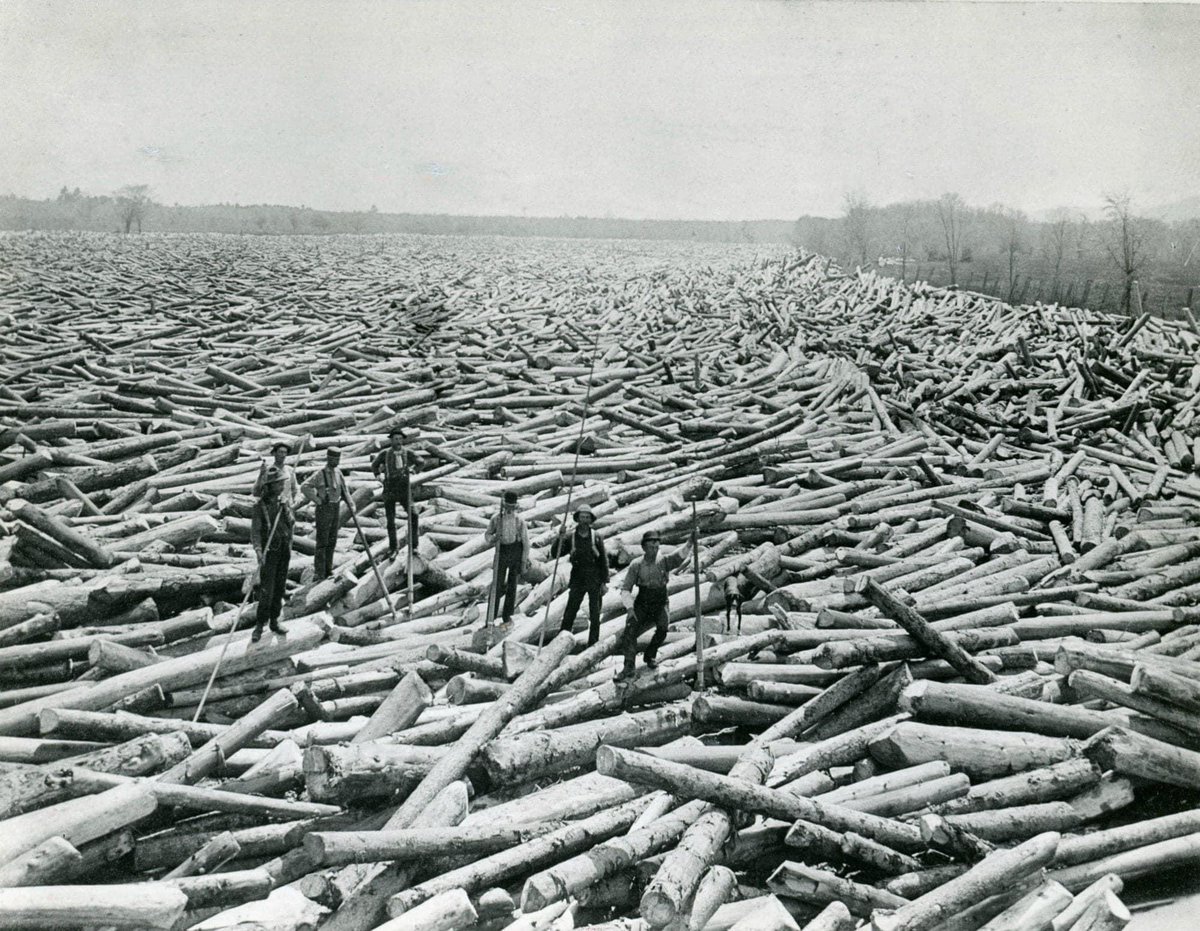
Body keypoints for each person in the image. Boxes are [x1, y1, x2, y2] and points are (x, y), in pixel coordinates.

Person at [616, 529, 686, 681]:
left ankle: (650, 655)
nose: (654, 550)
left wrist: (691, 543)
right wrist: (629, 608)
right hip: (643, 601)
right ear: (644, 548)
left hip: (660, 601)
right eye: (651, 547)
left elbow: (679, 557)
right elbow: (626, 589)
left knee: (663, 628)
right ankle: (628, 666)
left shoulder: (663, 561)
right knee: (630, 630)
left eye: (656, 547)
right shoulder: (636, 565)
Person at [552, 504, 609, 646]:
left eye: (587, 517)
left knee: (595, 614)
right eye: (582, 517)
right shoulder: (571, 537)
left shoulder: (596, 537)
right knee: (570, 611)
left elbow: (603, 559)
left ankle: (593, 644)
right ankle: (561, 642)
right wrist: (560, 537)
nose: (584, 520)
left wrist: (604, 581)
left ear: (591, 520)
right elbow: (555, 553)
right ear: (577, 519)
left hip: (594, 577)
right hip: (577, 577)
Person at [250, 466, 294, 642]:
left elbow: (291, 523)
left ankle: (274, 621)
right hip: (270, 551)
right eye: (279, 483)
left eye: (283, 483)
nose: (282, 486)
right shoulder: (260, 507)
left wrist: (286, 510)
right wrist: (259, 551)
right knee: (266, 591)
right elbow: (255, 532)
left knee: (280, 587)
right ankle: (260, 624)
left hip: (284, 548)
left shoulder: (283, 503)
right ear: (271, 486)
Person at [300, 447, 348, 581]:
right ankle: (319, 572)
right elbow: (304, 487)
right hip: (324, 509)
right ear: (328, 458)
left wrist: (352, 504)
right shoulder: (320, 473)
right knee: (322, 541)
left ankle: (328, 569)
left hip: (336, 507)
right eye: (334, 459)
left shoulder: (338, 473)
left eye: (338, 458)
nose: (336, 461)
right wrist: (317, 500)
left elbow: (345, 490)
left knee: (332, 540)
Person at [371, 428, 419, 556]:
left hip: (404, 488)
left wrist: (413, 470)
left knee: (413, 515)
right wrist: (378, 476)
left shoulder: (407, 452)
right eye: (395, 439)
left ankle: (414, 546)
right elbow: (374, 465)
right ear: (391, 440)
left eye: (400, 439)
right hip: (390, 488)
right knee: (390, 520)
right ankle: (393, 548)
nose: (398, 442)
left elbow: (420, 462)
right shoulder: (385, 454)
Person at [484, 490, 529, 625]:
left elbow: (526, 543)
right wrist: (493, 538)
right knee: (497, 585)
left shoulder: (519, 521)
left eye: (512, 507)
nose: (509, 510)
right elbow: (487, 535)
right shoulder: (497, 519)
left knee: (512, 586)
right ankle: (490, 619)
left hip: (515, 551)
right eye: (507, 507)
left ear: (515, 507)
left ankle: (507, 617)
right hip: (501, 552)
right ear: (504, 506)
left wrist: (523, 561)